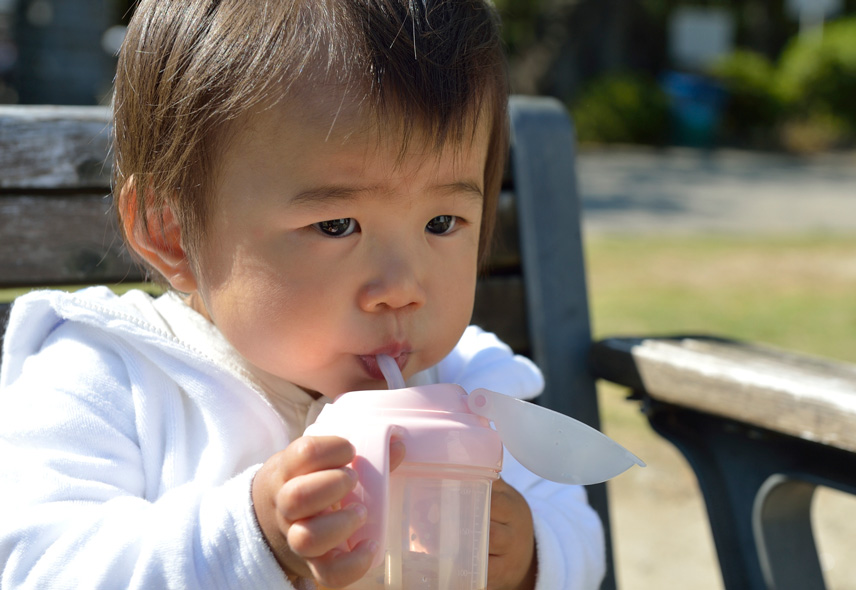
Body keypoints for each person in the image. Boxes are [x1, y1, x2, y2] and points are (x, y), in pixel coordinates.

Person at [0, 1, 605, 589]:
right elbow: (36, 567)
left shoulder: (475, 385)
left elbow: (576, 533)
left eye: (441, 223)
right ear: (172, 232)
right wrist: (253, 536)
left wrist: (527, 557)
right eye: (337, 225)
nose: (401, 289)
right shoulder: (109, 378)